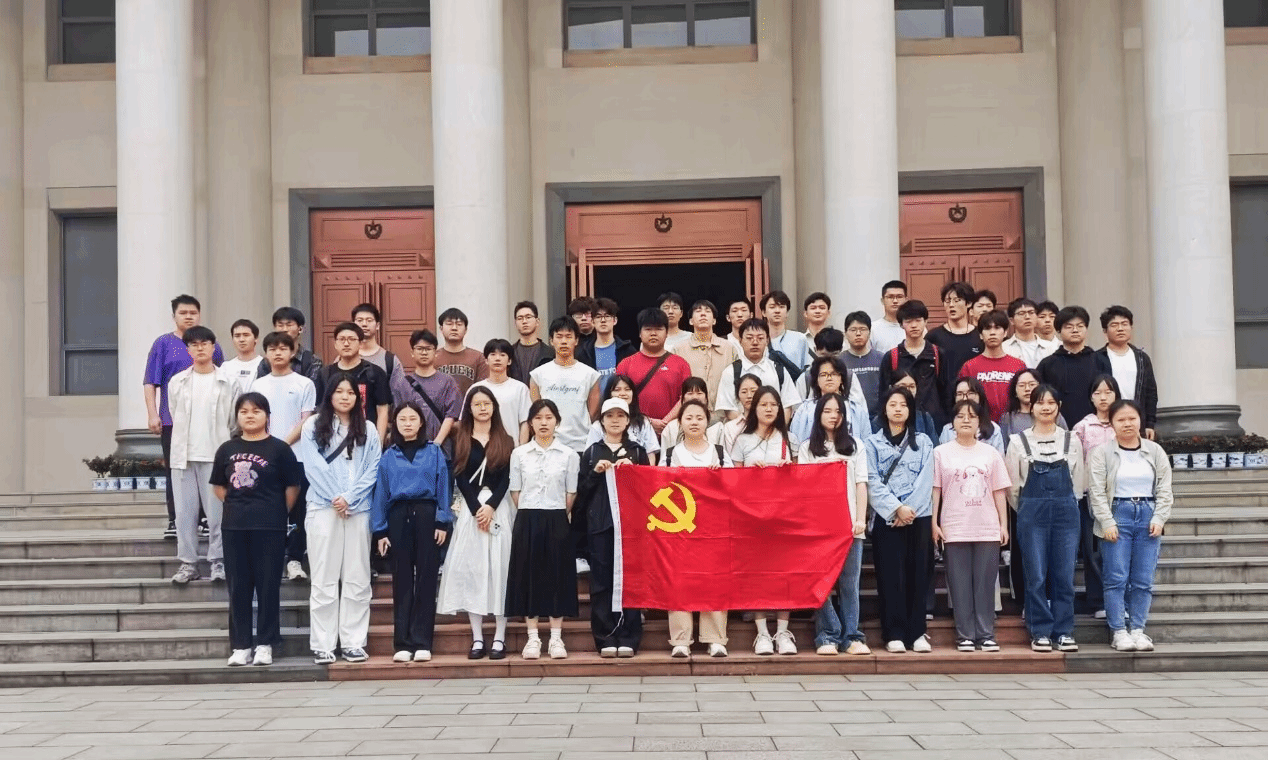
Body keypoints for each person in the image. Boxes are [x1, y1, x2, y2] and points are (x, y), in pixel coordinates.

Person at [295, 374, 382, 664]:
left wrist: (350, 498)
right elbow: (313, 466)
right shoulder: (312, 425)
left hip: (358, 509)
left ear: (358, 398)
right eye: (339, 391)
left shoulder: (369, 428)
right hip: (323, 507)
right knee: (324, 576)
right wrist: (337, 497)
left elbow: (373, 468)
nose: (345, 397)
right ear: (330, 394)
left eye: (350, 392)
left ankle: (353, 642)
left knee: (357, 576)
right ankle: (323, 643)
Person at [212, 393, 303, 667]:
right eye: (244, 411)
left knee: (267, 586)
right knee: (238, 587)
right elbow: (219, 487)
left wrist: (275, 511)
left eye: (256, 411)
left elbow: (292, 488)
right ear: (237, 417)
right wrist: (238, 506)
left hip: (270, 527)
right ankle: (241, 646)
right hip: (234, 526)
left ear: (267, 416)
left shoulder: (280, 449)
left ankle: (265, 643)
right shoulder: (226, 449)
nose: (250, 416)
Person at [437, 388, 517, 661]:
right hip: (471, 512)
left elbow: (507, 478)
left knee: (500, 569)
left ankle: (500, 637)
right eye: (476, 404)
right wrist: (476, 510)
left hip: (499, 509)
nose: (482, 408)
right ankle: (478, 637)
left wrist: (491, 506)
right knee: (473, 570)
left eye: (487, 403)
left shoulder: (506, 439)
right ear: (469, 409)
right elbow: (459, 475)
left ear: (494, 407)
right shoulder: (461, 438)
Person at [1005, 384, 1085, 653]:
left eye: (1051, 402)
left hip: (1066, 512)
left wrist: (1066, 503)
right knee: (1036, 574)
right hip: (1031, 514)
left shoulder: (1072, 440)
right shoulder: (1018, 441)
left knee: (1064, 574)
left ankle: (1064, 631)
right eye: (1040, 402)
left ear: (1059, 406)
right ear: (1032, 407)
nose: (1046, 407)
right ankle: (1039, 631)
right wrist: (1029, 510)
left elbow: (1079, 483)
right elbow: (1012, 490)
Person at [1088, 399, 1173, 653]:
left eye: (1132, 418)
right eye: (1121, 419)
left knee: (1143, 579)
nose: (1127, 424)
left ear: (1140, 420)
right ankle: (1119, 631)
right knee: (1116, 577)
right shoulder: (1102, 453)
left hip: (1148, 514)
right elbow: (1096, 491)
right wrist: (1106, 521)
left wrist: (1159, 518)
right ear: (1112, 423)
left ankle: (1138, 629)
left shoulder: (1155, 451)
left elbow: (1165, 488)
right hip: (1118, 514)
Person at [372, 402, 452, 664]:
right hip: (398, 516)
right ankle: (403, 643)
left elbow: (444, 486)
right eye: (402, 419)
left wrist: (442, 521)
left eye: (412, 418)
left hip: (427, 514)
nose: (407, 423)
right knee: (402, 578)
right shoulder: (389, 455)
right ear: (395, 424)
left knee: (427, 577)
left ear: (421, 422)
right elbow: (381, 493)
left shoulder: (434, 452)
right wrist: (380, 530)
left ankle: (422, 641)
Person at [933, 400, 1011, 652]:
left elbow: (999, 491)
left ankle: (986, 634)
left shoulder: (990, 453)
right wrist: (934, 523)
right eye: (960, 416)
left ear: (980, 422)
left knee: (985, 585)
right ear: (952, 423)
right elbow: (936, 490)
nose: (966, 420)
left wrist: (1003, 525)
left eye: (972, 416)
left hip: (987, 526)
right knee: (959, 585)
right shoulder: (940, 453)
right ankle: (965, 635)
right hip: (954, 526)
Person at [145, 294, 225, 538]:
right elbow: (150, 382)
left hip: (207, 420)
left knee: (208, 467)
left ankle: (205, 517)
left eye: (193, 313)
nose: (188, 317)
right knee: (176, 470)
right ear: (174, 316)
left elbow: (222, 378)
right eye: (183, 313)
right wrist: (152, 414)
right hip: (173, 421)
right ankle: (175, 520)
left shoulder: (211, 343)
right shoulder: (163, 344)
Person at [507, 399, 580, 659]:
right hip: (527, 518)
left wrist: (555, 512)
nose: (544, 423)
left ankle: (556, 638)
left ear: (557, 421)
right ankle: (533, 638)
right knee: (529, 576)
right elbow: (515, 491)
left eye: (549, 417)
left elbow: (571, 493)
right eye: (538, 418)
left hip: (557, 517)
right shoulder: (519, 454)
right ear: (530, 423)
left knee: (557, 576)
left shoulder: (569, 455)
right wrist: (532, 510)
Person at [577, 398, 649, 657]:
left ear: (628, 420)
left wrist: (634, 472)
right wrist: (595, 473)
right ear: (602, 421)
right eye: (609, 416)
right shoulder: (592, 452)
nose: (615, 420)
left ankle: (629, 636)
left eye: (620, 415)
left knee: (630, 580)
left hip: (631, 527)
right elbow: (581, 495)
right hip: (600, 526)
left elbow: (649, 492)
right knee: (601, 582)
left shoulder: (637, 452)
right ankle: (605, 637)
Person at [866, 386, 935, 653]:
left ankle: (917, 632)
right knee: (889, 575)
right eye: (893, 404)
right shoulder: (872, 444)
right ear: (884, 409)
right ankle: (893, 633)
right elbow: (871, 481)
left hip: (918, 517)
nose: (898, 409)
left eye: (903, 405)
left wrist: (908, 511)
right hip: (887, 519)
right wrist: (896, 509)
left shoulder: (924, 442)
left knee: (918, 575)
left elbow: (926, 480)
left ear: (910, 410)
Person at [167, 326, 238, 584]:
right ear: (188, 350)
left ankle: (218, 561)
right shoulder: (177, 382)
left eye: (204, 343)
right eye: (194, 344)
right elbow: (174, 412)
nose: (200, 348)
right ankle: (188, 563)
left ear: (213, 347)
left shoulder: (229, 382)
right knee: (184, 515)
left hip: (216, 455)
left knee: (217, 514)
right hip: (183, 456)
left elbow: (234, 421)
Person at [800, 393, 870, 656]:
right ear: (818, 414)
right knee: (822, 583)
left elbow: (861, 484)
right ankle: (827, 635)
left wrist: (860, 519)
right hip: (820, 529)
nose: (833, 415)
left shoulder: (855, 446)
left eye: (837, 411)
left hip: (850, 526)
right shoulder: (808, 448)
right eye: (827, 411)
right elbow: (804, 488)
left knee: (850, 584)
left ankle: (852, 637)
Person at [730, 385, 797, 655]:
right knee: (756, 574)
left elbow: (801, 481)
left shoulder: (789, 439)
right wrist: (751, 474)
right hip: (752, 519)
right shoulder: (742, 441)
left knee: (785, 574)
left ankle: (783, 632)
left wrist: (788, 471)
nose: (769, 409)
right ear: (753, 408)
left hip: (783, 518)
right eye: (763, 404)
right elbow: (733, 483)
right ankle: (762, 633)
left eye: (774, 404)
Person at [663, 399, 733, 658]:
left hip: (713, 526)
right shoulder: (670, 454)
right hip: (679, 527)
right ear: (680, 422)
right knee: (679, 580)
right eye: (689, 417)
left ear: (707, 422)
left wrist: (720, 476)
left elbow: (734, 487)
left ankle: (715, 638)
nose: (694, 422)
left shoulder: (720, 453)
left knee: (714, 579)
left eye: (699, 418)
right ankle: (681, 639)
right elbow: (659, 488)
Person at [251, 331, 318, 581]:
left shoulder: (304, 383)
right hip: (263, 458)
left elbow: (306, 420)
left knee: (298, 511)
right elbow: (253, 419)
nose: (277, 353)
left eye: (283, 348)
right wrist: (267, 448)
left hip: (297, 457)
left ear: (292, 352)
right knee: (268, 509)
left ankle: (295, 559)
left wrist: (281, 445)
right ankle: (270, 558)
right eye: (272, 349)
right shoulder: (258, 385)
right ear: (265, 353)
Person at [1072, 374, 1122, 620]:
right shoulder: (1082, 428)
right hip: (1089, 497)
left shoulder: (1122, 423)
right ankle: (1098, 600)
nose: (1103, 397)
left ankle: (1120, 600)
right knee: (1094, 551)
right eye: (1098, 393)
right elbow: (1075, 462)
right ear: (1091, 398)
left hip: (1121, 496)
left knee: (1118, 549)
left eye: (1108, 392)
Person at [529, 316, 601, 456]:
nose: (563, 341)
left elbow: (592, 413)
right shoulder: (537, 375)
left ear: (576, 340)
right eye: (559, 336)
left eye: (568, 336)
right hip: (547, 445)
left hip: (581, 444)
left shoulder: (590, 375)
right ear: (551, 340)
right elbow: (536, 411)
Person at [615, 308, 693, 434]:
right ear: (640, 333)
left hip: (671, 431)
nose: (653, 333)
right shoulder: (626, 364)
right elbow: (618, 398)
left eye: (658, 329)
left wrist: (665, 423)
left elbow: (686, 397)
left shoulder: (681, 364)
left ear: (666, 333)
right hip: (635, 430)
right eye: (648, 329)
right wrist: (648, 422)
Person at [1036, 306, 1112, 427]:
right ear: (1059, 331)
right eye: (1069, 327)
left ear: (1086, 329)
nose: (1075, 330)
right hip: (1057, 427)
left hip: (1095, 427)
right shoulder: (1047, 364)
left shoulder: (1100, 361)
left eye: (1080, 326)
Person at [878, 300, 949, 429]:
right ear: (901, 325)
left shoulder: (938, 354)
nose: (914, 325)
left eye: (918, 320)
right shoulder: (891, 357)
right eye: (908, 321)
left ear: (926, 322)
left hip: (934, 423)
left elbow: (946, 392)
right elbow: (883, 394)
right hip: (901, 423)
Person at [715, 318, 802, 422]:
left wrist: (776, 428)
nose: (755, 342)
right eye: (749, 338)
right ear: (740, 341)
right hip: (742, 430)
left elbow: (787, 406)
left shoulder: (779, 370)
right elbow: (729, 409)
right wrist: (752, 427)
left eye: (760, 338)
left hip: (774, 430)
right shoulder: (730, 372)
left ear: (767, 340)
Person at [322, 323, 393, 445]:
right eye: (342, 339)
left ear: (360, 343)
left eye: (351, 339)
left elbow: (382, 410)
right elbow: (320, 408)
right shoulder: (325, 374)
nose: (346, 343)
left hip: (365, 439)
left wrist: (378, 443)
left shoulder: (375, 373)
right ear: (335, 344)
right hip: (332, 440)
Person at [1097, 305, 1159, 440]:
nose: (1120, 328)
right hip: (1108, 422)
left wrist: (1150, 423)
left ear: (1131, 327)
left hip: (1137, 421)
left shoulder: (1142, 358)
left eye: (1124, 324)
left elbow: (1151, 392)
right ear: (1105, 331)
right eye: (1114, 325)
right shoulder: (1097, 358)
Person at [958, 310, 1026, 424]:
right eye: (987, 328)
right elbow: (962, 400)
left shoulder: (1018, 365)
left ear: (1005, 332)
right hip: (980, 425)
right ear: (980, 335)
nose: (992, 333)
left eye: (997, 328)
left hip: (1013, 424)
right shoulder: (969, 367)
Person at [399, 329, 462, 450]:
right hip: (411, 449)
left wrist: (436, 444)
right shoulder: (403, 383)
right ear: (412, 352)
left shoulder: (447, 382)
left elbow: (451, 415)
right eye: (419, 349)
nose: (424, 353)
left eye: (428, 349)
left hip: (441, 449)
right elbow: (399, 416)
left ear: (436, 352)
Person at [674, 299, 736, 419]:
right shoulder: (678, 349)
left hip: (723, 418)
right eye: (698, 311)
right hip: (690, 418)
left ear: (714, 320)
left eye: (707, 311)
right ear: (691, 321)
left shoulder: (729, 348)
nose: (703, 314)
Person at [790, 355, 869, 447]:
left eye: (834, 374)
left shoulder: (856, 410)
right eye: (823, 375)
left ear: (841, 379)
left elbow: (866, 442)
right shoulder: (804, 410)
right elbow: (794, 442)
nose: (829, 378)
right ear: (817, 380)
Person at [927, 282, 983, 407]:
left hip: (974, 402)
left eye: (957, 300)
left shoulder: (980, 336)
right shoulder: (933, 337)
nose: (951, 305)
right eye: (947, 301)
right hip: (942, 404)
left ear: (969, 303)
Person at [585, 374, 660, 463]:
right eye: (617, 390)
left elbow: (650, 454)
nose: (623, 393)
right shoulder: (598, 426)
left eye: (627, 389)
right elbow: (590, 455)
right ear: (609, 393)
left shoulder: (643, 422)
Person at [470, 338, 532, 444]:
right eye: (493, 354)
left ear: (509, 361)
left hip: (512, 448)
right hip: (481, 448)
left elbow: (525, 422)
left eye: (502, 355)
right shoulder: (476, 389)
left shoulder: (520, 389)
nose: (497, 359)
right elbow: (467, 421)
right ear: (486, 360)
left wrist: (521, 449)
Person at [254, 307, 324, 397]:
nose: (284, 329)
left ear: (300, 328)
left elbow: (313, 393)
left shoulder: (312, 361)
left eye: (289, 325)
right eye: (280, 325)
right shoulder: (266, 362)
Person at [352, 303, 407, 403]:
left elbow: (399, 397)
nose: (364, 324)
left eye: (369, 320)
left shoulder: (390, 360)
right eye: (359, 320)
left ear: (377, 325)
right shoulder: (343, 358)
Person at [937, 378, 1005, 454]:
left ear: (980, 396)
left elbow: (999, 459)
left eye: (970, 393)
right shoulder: (947, 430)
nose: (965, 398)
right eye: (960, 394)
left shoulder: (994, 429)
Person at [1000, 368, 1068, 442]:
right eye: (1022, 385)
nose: (1027, 389)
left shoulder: (1053, 414)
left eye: (1032, 384)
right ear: (1015, 391)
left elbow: (1066, 442)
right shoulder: (1008, 419)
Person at [576, 297, 635, 380]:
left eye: (607, 316)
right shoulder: (583, 353)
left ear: (615, 320)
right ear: (592, 321)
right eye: (598, 317)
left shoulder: (627, 350)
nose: (603, 320)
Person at [659, 376, 725, 451]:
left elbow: (722, 454)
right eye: (690, 393)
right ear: (682, 399)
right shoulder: (671, 428)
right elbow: (665, 456)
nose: (695, 397)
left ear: (706, 398)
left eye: (699, 393)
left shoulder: (717, 427)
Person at [435, 308, 489, 398]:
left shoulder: (478, 357)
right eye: (449, 324)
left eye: (459, 324)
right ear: (441, 329)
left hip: (469, 405)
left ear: (466, 330)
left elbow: (483, 389)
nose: (454, 328)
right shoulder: (433, 357)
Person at [842, 311, 885, 420]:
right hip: (849, 418)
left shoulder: (882, 358)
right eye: (853, 330)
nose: (858, 333)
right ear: (845, 333)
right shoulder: (838, 362)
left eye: (863, 329)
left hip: (878, 418)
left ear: (869, 333)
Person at [873, 370, 937, 439]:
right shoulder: (879, 421)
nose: (908, 390)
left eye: (912, 386)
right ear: (892, 387)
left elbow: (934, 444)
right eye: (903, 386)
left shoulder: (925, 418)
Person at [761, 290, 813, 372]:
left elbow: (807, 370)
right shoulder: (757, 340)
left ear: (787, 313)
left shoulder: (800, 338)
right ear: (763, 312)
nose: (777, 311)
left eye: (781, 307)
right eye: (772, 307)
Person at [1003, 298, 1058, 368]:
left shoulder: (1051, 348)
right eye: (1021, 313)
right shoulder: (1004, 348)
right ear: (1012, 321)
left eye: (1031, 312)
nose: (1027, 317)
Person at [510, 301, 554, 386]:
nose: (524, 321)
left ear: (537, 321)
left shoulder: (549, 353)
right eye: (520, 318)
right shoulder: (509, 353)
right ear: (515, 323)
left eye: (528, 317)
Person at [221, 319, 262, 396]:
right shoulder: (225, 367)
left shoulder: (264, 364)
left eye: (246, 335)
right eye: (237, 336)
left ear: (256, 339)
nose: (241, 340)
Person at [872, 280, 911, 353]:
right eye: (890, 297)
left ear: (906, 300)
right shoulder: (873, 329)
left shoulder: (915, 327)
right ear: (882, 300)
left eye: (899, 297)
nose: (895, 301)